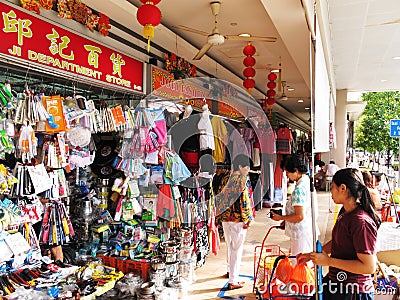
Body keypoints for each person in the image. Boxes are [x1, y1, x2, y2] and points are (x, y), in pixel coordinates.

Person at [297, 168, 381, 299]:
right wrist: (313, 255)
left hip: (353, 291)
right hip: (336, 282)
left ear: (343, 188)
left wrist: (329, 261)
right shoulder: (345, 211)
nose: (330, 191)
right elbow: (339, 241)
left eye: (333, 187)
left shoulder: (360, 222)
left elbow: (369, 267)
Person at [215, 154, 254, 290]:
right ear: (240, 166)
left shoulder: (225, 178)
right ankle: (233, 280)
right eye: (247, 167)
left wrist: (218, 217)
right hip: (238, 219)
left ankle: (230, 272)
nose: (248, 169)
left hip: (226, 218)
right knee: (237, 249)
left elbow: (219, 198)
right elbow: (244, 202)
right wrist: (248, 219)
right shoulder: (242, 180)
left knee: (230, 246)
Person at [270, 154, 315, 257]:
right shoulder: (306, 181)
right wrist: (286, 220)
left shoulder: (299, 189)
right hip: (305, 232)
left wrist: (281, 217)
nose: (286, 175)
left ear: (295, 170)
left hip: (300, 235)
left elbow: (299, 216)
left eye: (287, 172)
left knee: (299, 265)